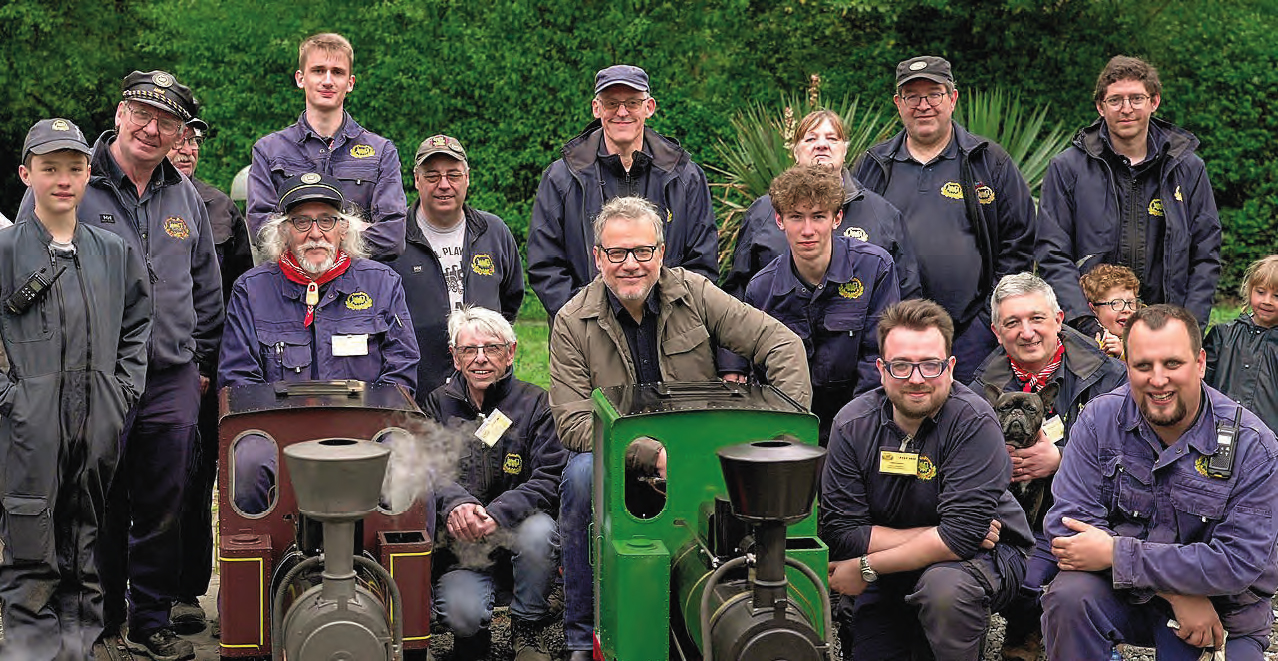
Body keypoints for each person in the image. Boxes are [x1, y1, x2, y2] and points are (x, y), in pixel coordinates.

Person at [548, 196, 810, 661]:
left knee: (767, 478)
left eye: (642, 251)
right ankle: (582, 634)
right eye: (617, 253)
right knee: (581, 476)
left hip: (703, 450)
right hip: (621, 460)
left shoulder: (697, 292)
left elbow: (782, 344)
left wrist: (781, 439)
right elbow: (572, 423)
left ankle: (753, 613)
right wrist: (650, 454)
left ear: (661, 253)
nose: (630, 264)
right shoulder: (572, 321)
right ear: (597, 257)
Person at [39, 70, 223, 661]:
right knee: (90, 504)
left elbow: (205, 285)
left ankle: (149, 622)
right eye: (142, 113)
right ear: (119, 113)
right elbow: (25, 275)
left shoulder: (184, 195)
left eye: (167, 121)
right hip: (88, 376)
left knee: (164, 504)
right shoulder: (73, 179)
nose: (152, 128)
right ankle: (96, 624)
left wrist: (201, 362)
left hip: (171, 377)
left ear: (179, 134)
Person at [1042, 304, 1278, 659]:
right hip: (1125, 591)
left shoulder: (1252, 444)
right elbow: (1068, 532)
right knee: (1068, 597)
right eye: (1142, 365)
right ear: (1126, 364)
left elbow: (1237, 563)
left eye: (1172, 363)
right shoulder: (1099, 420)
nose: (1157, 379)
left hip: (1225, 608)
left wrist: (1115, 552)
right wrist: (1176, 594)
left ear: (1200, 363)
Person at [0, 118, 150, 661]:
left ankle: (77, 651)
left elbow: (139, 322)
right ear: (26, 174)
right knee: (29, 553)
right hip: (27, 433)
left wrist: (122, 390)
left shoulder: (112, 251)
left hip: (97, 426)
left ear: (89, 173)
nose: (63, 180)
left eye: (74, 168)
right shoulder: (6, 250)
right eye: (49, 169)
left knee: (86, 550)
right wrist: (12, 399)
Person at [820, 298, 1033, 660]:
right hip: (895, 570)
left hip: (977, 562)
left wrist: (868, 567)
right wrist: (940, 536)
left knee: (943, 591)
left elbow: (960, 541)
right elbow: (840, 531)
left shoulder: (974, 422)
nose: (916, 379)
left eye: (930, 365)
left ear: (950, 367)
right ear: (882, 370)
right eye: (901, 365)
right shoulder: (852, 425)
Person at [220, 173, 418, 514]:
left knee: (403, 458)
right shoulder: (251, 290)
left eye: (326, 220)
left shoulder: (383, 283)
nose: (315, 233)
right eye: (301, 222)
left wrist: (364, 429)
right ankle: (263, 560)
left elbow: (401, 373)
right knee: (248, 461)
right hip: (277, 433)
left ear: (344, 229)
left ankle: (387, 563)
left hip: (365, 429)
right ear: (283, 232)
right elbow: (239, 381)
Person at [968, 272, 1126, 657]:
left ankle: (1062, 631)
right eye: (1012, 322)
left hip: (1085, 517)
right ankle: (1019, 631)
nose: (1027, 332)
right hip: (1011, 519)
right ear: (996, 331)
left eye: (1037, 318)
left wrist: (1061, 459)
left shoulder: (1107, 375)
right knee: (995, 574)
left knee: (1043, 578)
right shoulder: (979, 385)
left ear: (1059, 319)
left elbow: (1131, 453)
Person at [853, 55, 1038, 383]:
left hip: (971, 337)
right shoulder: (874, 165)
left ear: (952, 98)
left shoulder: (988, 162)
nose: (923, 105)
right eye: (912, 96)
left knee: (967, 425)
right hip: (893, 337)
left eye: (934, 94)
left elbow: (1018, 243)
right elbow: (852, 244)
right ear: (899, 103)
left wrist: (988, 321)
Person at [1037, 55, 1221, 332]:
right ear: (1100, 106)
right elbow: (1053, 253)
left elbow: (1205, 255)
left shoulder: (1188, 168)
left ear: (1154, 101)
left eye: (1136, 98)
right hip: (1087, 330)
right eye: (1115, 100)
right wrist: (1084, 323)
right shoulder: (1067, 168)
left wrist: (1187, 326)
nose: (1126, 109)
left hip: (1166, 328)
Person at [720, 165, 900, 444]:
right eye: (796, 217)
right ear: (779, 221)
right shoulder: (761, 289)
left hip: (863, 423)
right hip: (789, 426)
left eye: (818, 217)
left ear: (837, 218)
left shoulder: (875, 268)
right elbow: (763, 379)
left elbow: (877, 360)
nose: (807, 230)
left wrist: (852, 430)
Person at [425, 307, 565, 661]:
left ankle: (527, 630)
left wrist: (498, 514)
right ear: (455, 358)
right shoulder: (436, 405)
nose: (480, 359)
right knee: (463, 614)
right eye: (469, 350)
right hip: (461, 548)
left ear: (511, 352)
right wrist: (458, 505)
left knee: (539, 532)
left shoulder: (536, 403)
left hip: (517, 530)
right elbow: (428, 471)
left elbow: (549, 476)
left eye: (492, 348)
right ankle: (473, 640)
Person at [528, 64, 718, 318]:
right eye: (611, 104)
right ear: (597, 109)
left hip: (670, 332)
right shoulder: (561, 178)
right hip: (586, 336)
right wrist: (586, 321)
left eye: (632, 103)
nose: (622, 112)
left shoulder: (686, 177)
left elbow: (702, 263)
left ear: (649, 107)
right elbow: (545, 266)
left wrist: (668, 318)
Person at [166, 115, 255, 634]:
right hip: (145, 368)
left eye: (193, 141)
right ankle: (157, 592)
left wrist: (209, 364)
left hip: (208, 372)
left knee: (211, 479)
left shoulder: (220, 206)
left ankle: (198, 592)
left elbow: (240, 294)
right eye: (178, 139)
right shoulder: (124, 201)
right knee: (159, 484)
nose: (186, 149)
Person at [723, 109, 920, 300]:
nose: (822, 145)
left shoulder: (883, 215)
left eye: (832, 138)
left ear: (845, 150)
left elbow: (907, 295)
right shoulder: (762, 213)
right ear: (795, 152)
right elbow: (738, 293)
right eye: (811, 139)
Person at [246, 32, 407, 259]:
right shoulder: (269, 151)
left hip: (361, 289)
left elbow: (393, 238)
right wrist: (353, 227)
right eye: (319, 70)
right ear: (301, 78)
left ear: (350, 83)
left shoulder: (381, 152)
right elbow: (261, 233)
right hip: (289, 290)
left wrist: (301, 230)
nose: (328, 80)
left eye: (338, 72)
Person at [391, 135, 523, 398]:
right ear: (416, 180)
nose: (444, 185)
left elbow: (511, 299)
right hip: (417, 388)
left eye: (453, 175)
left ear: (467, 178)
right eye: (432, 176)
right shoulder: (393, 238)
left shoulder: (494, 231)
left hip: (489, 387)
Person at [1205, 255, 1278, 431]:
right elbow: (1200, 386)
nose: (1267, 301)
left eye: (1276, 295)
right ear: (1249, 290)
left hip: (1269, 443)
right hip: (1219, 434)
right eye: (1260, 292)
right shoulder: (1222, 335)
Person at [1080, 264, 1143, 359]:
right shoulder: (1082, 343)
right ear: (1093, 309)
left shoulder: (1148, 337)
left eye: (1131, 302)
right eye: (1116, 303)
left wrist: (1123, 354)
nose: (1127, 309)